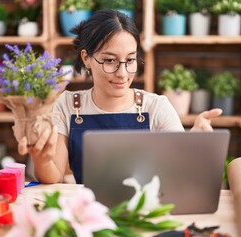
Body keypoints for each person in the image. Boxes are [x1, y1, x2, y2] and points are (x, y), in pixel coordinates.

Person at [18, 9, 222, 184]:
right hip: (90, 214)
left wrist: (196, 145)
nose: (123, 73)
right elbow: (53, 177)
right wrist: (42, 160)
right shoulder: (67, 105)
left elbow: (181, 176)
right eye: (109, 60)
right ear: (86, 58)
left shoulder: (156, 107)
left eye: (131, 60)